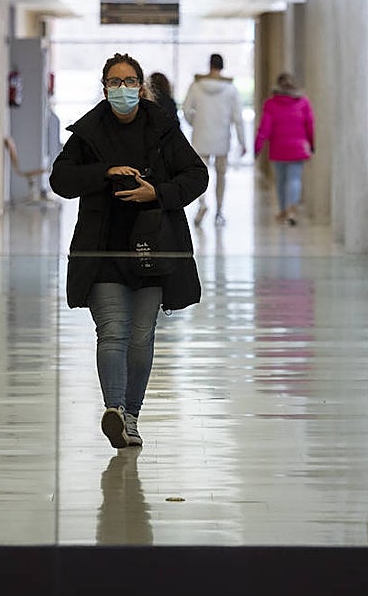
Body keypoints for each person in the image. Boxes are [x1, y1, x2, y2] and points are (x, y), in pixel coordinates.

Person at [50, 53, 208, 450]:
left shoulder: (164, 129)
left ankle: (130, 416)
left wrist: (158, 192)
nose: (123, 88)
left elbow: (196, 175)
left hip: (153, 249)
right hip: (102, 251)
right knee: (113, 333)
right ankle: (116, 410)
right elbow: (61, 180)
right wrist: (105, 173)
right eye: (115, 82)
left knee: (141, 337)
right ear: (104, 88)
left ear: (142, 86)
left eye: (130, 80)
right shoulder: (87, 133)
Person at [181, 53, 246, 227]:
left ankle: (202, 204)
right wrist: (242, 141)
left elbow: (186, 110)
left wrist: (195, 123)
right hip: (222, 139)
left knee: (200, 174)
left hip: (200, 136)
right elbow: (237, 118)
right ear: (222, 66)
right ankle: (219, 211)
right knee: (221, 175)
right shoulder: (231, 89)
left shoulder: (196, 86)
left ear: (209, 65)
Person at [253, 72, 315, 226]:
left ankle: (283, 211)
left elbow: (264, 129)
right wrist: (312, 144)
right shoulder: (303, 102)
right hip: (298, 148)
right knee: (294, 179)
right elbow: (309, 125)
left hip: (278, 148)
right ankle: (292, 210)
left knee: (281, 181)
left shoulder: (271, 103)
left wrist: (257, 147)